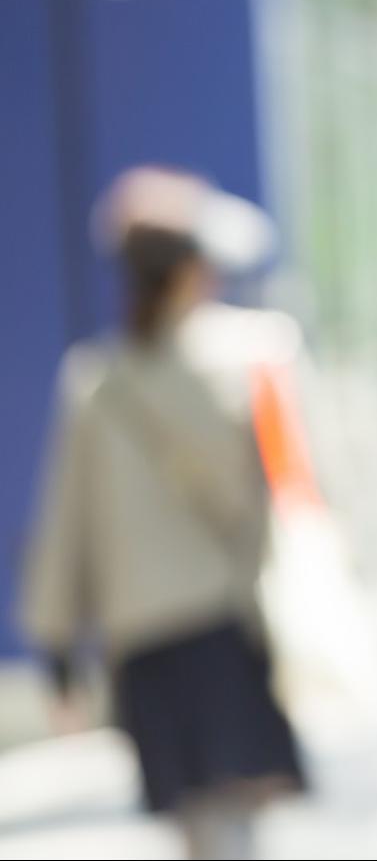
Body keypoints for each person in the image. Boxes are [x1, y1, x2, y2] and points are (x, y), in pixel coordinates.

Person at [19, 168, 307, 860]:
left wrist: (58, 656)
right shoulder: (250, 357)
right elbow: (290, 489)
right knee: (235, 825)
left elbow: (65, 529)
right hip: (219, 629)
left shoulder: (95, 379)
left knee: (198, 830)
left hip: (144, 648)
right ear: (192, 270)